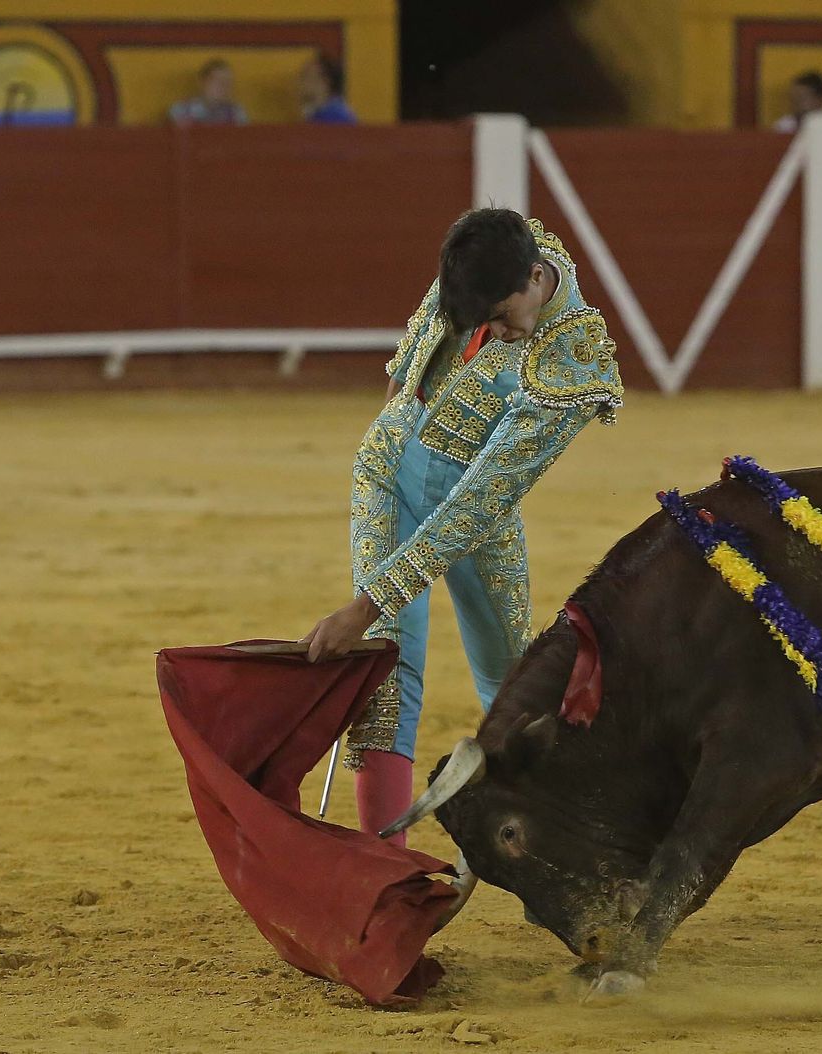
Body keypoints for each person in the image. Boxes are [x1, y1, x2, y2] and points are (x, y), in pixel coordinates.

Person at [301, 210, 623, 842]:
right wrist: (403, 391)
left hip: (481, 513)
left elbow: (475, 505)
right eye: (483, 322)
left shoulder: (575, 364)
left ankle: (571, 845)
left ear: (538, 278)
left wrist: (365, 606)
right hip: (391, 473)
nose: (497, 333)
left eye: (504, 317)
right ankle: (382, 874)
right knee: (387, 675)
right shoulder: (492, 258)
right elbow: (429, 325)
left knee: (516, 686)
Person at [169, 58, 247, 126]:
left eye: (228, 82)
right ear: (202, 82)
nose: (224, 86)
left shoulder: (236, 113)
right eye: (218, 81)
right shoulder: (181, 110)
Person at [299, 53, 356, 124]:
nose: (300, 81)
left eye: (305, 75)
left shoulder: (335, 116)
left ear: (324, 81)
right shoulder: (319, 112)